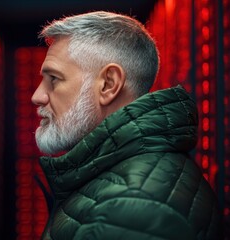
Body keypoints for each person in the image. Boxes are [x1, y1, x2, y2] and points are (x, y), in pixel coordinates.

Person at [31, 11, 221, 240]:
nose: (37, 96)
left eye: (54, 79)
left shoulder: (131, 208)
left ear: (108, 84)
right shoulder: (134, 184)